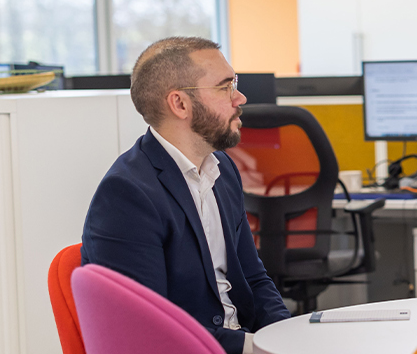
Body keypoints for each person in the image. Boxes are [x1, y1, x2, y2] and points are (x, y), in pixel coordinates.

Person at [81, 36, 288, 354]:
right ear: (179, 104)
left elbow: (254, 278)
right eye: (225, 87)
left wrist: (288, 337)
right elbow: (150, 330)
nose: (240, 97)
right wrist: (257, 346)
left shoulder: (222, 169)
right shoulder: (127, 195)